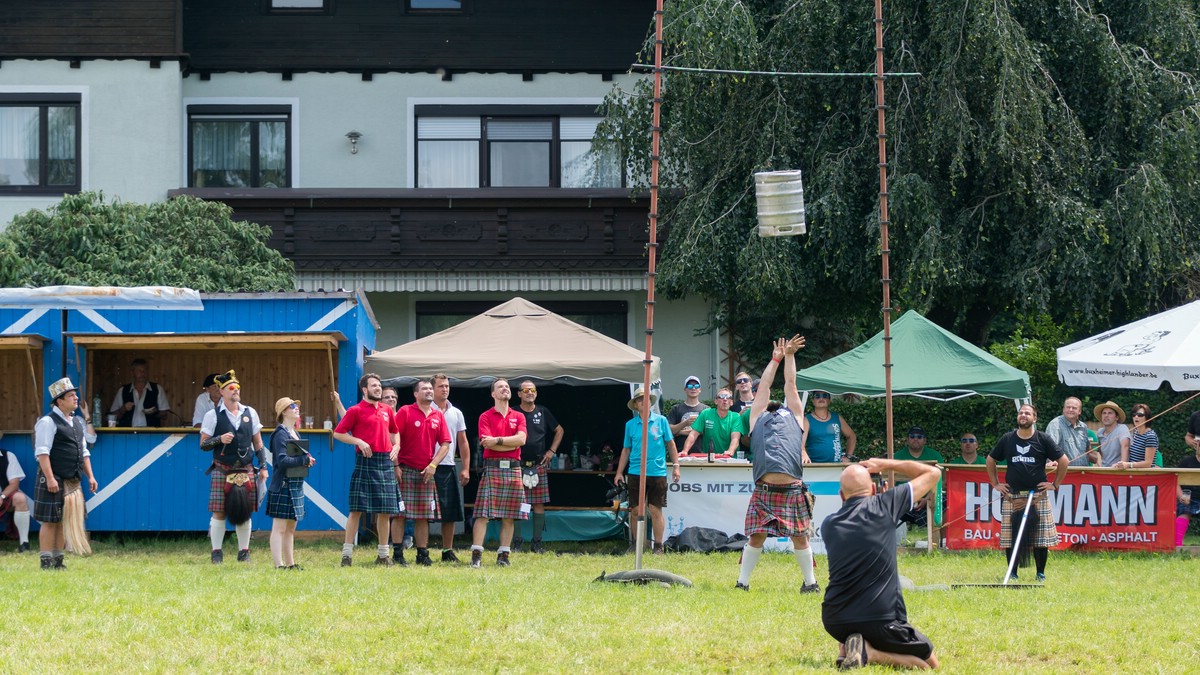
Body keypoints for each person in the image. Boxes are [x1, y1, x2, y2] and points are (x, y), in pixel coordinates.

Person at [822, 457, 942, 670]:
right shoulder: (885, 504)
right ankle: (872, 652)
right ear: (876, 488)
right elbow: (933, 474)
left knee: (863, 631)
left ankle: (851, 645)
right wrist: (887, 465)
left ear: (841, 495)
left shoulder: (829, 524)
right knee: (930, 664)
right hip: (881, 620)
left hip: (835, 620)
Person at [735, 336, 820, 593]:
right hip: (765, 490)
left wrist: (791, 355)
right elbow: (765, 387)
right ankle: (742, 583)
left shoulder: (795, 416)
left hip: (792, 489)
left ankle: (810, 584)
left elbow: (790, 384)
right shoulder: (756, 417)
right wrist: (776, 358)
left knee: (800, 537)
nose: (772, 400)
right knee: (757, 537)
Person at [986, 403, 1068, 582]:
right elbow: (990, 459)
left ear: (1034, 418)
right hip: (1012, 495)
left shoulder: (1043, 439)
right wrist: (996, 484)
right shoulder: (1008, 439)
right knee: (1010, 537)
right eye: (1021, 413)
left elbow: (1064, 460)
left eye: (1027, 413)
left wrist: (1055, 484)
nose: (1023, 415)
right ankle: (1013, 573)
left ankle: (1040, 573)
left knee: (1040, 539)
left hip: (1037, 496)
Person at [199, 370, 268, 564]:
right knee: (219, 512)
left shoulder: (250, 412)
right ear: (222, 392)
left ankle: (244, 552)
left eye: (237, 387)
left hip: (245, 469)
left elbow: (258, 443)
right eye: (231, 388)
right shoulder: (212, 415)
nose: (235, 390)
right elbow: (203, 445)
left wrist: (263, 467)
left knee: (244, 512)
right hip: (223, 468)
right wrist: (219, 439)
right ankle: (216, 552)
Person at [332, 373, 401, 567]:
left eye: (379, 385)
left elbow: (395, 432)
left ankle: (383, 555)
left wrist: (396, 446)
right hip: (365, 461)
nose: (378, 388)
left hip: (385, 462)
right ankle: (346, 555)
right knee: (356, 510)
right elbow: (339, 433)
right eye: (374, 386)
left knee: (385, 511)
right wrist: (359, 441)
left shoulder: (387, 410)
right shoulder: (355, 411)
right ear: (365, 389)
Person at [33, 377, 99, 570]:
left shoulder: (77, 422)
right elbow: (42, 452)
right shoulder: (47, 422)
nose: (76, 398)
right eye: (71, 395)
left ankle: (58, 561)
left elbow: (84, 452)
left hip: (72, 481)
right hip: (53, 479)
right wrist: (51, 478)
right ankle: (46, 562)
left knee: (64, 520)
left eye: (75, 394)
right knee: (49, 521)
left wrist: (91, 476)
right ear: (59, 401)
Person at [390, 379, 450, 567]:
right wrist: (396, 465)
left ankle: (422, 554)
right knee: (400, 514)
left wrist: (433, 465)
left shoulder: (438, 415)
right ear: (415, 394)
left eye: (430, 389)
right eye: (424, 389)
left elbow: (446, 444)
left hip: (426, 472)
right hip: (405, 469)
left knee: (423, 515)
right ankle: (398, 553)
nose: (429, 391)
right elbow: (393, 437)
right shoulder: (405, 412)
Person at [614, 386, 681, 554]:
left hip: (657, 472)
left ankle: (658, 546)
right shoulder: (630, 425)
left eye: (646, 399)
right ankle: (637, 545)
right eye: (639, 399)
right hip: (635, 471)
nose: (643, 402)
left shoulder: (661, 421)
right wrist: (619, 472)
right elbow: (626, 450)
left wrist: (676, 466)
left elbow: (671, 444)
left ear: (651, 403)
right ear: (635, 405)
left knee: (655, 509)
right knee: (636, 510)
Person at [470, 379, 527, 568]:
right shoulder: (485, 416)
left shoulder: (518, 416)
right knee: (482, 514)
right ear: (493, 394)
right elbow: (487, 442)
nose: (506, 389)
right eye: (501, 387)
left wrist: (498, 441)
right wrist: (509, 443)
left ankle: (504, 555)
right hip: (493, 467)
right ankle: (476, 555)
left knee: (509, 515)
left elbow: (522, 440)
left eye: (507, 387)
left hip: (513, 468)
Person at [265, 397, 315, 569]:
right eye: (292, 406)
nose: (296, 408)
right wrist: (303, 459)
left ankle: (291, 564)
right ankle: (279, 565)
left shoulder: (294, 432)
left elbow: (296, 458)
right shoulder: (280, 433)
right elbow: (282, 461)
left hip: (295, 484)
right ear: (284, 412)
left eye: (296, 406)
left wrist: (307, 459)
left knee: (291, 529)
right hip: (283, 485)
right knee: (279, 528)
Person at [516, 379, 564, 553]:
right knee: (518, 503)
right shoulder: (514, 412)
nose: (530, 392)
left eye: (533, 390)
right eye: (526, 390)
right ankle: (517, 542)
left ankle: (537, 543)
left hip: (538, 465)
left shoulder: (543, 411)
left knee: (538, 504)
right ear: (519, 394)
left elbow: (560, 430)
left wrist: (551, 451)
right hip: (517, 464)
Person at [431, 373, 471, 562]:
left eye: (447, 386)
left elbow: (463, 442)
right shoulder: (425, 409)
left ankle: (447, 551)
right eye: (441, 386)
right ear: (432, 389)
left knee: (450, 511)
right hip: (426, 466)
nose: (445, 389)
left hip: (448, 465)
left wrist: (465, 468)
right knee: (422, 512)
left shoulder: (456, 413)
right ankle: (421, 549)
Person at [894, 426, 943, 529]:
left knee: (944, 501)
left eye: (919, 437)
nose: (915, 439)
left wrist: (928, 497)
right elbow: (890, 481)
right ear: (907, 440)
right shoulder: (897, 456)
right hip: (903, 498)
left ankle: (940, 540)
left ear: (924, 440)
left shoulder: (935, 456)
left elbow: (942, 481)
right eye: (912, 436)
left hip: (928, 498)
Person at [680, 387, 743, 457]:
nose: (725, 399)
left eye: (728, 397)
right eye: (721, 397)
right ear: (716, 401)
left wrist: (730, 451)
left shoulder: (736, 417)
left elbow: (735, 438)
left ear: (731, 402)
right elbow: (693, 435)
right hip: (709, 459)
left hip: (730, 459)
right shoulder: (706, 413)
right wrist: (685, 451)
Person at [109, 357, 171, 427]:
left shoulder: (157, 389)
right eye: (139, 370)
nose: (143, 373)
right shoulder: (123, 390)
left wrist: (155, 412)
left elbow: (165, 415)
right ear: (132, 373)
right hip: (127, 435)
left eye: (145, 370)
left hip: (151, 435)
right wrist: (123, 409)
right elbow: (112, 417)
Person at [0, 435, 33, 552]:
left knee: (20, 498)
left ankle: (24, 543)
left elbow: (14, 484)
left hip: (2, 496)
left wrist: (2, 496)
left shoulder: (8, 456)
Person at [804, 390, 856, 463]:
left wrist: (848, 456)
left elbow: (852, 436)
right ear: (813, 401)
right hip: (815, 467)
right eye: (817, 396)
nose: (821, 399)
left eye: (825, 396)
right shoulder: (807, 420)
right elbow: (800, 443)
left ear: (829, 400)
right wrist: (804, 455)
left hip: (837, 466)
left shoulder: (837, 418)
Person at [1045, 397, 1098, 467]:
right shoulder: (1055, 424)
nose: (1070, 410)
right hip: (1065, 472)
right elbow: (1050, 448)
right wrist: (1051, 464)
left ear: (1079, 411)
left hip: (1083, 472)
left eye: (1074, 408)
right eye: (1068, 407)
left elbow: (1088, 450)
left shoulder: (1083, 427)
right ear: (1063, 409)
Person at [667, 375, 708, 452]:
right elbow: (669, 430)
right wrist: (684, 423)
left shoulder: (706, 410)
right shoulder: (676, 409)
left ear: (700, 389)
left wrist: (680, 432)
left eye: (696, 386)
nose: (693, 388)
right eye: (689, 386)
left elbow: (708, 430)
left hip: (702, 453)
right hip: (680, 452)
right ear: (685, 389)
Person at [1117, 403, 1159, 470]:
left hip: (1145, 475)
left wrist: (1128, 464)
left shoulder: (1150, 436)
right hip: (1133, 474)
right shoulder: (1135, 433)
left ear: (1147, 417)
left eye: (1140, 415)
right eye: (1134, 415)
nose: (1136, 417)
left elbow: (1148, 463)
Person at [1094, 401, 1130, 467]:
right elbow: (1100, 452)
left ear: (1117, 417)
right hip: (1104, 469)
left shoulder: (1122, 428)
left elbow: (1125, 446)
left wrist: (1122, 464)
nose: (1106, 415)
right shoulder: (1100, 432)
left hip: (1118, 470)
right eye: (1104, 413)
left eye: (1110, 413)